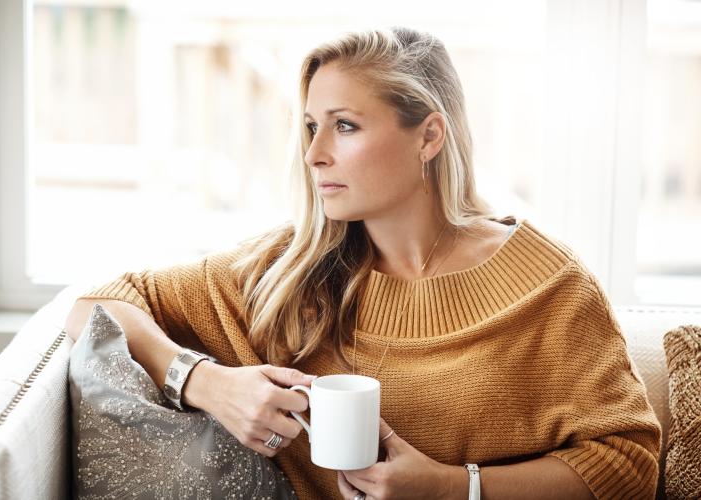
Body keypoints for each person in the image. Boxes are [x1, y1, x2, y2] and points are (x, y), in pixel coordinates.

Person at [64, 26, 660, 500]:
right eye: (310, 127)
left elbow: (630, 463)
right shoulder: (286, 272)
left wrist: (457, 489)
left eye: (344, 126)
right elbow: (95, 306)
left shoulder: (549, 285)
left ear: (429, 138)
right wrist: (206, 383)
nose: (315, 154)